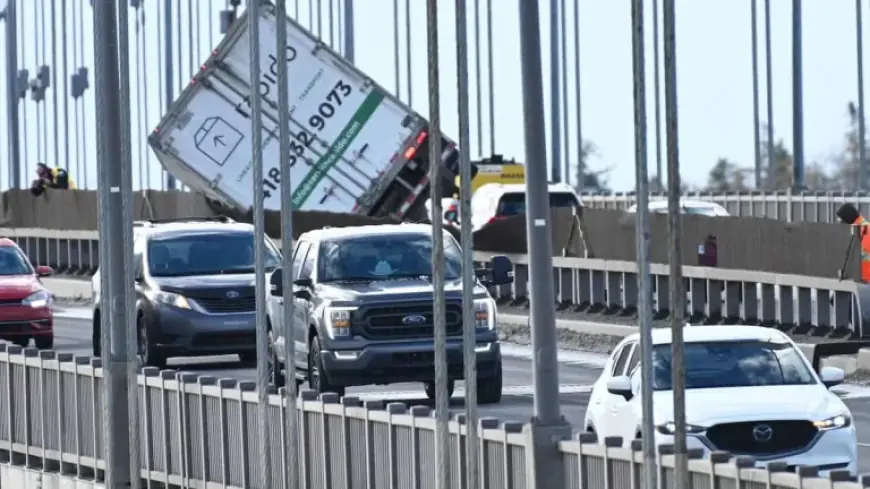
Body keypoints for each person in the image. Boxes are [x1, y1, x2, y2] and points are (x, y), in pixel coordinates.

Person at [836, 203, 870, 282]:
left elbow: (863, 255)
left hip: (865, 277)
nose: (840, 224)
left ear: (847, 218)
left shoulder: (864, 229)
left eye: (842, 221)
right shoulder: (859, 227)